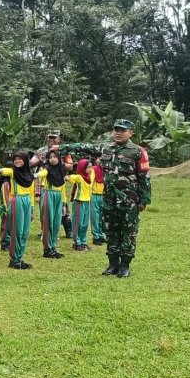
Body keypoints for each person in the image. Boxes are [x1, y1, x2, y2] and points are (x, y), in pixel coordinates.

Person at [52, 119, 152, 277]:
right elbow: (84, 146)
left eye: (122, 130)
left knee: (128, 232)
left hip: (129, 200)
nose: (118, 133)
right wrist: (61, 148)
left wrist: (144, 200)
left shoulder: (138, 151)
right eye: (116, 130)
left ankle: (125, 265)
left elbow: (144, 177)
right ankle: (112, 264)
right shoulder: (105, 148)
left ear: (130, 132)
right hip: (109, 199)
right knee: (111, 231)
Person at [30, 130, 74, 239]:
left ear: (59, 139)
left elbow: (70, 166)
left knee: (63, 206)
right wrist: (43, 158)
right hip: (44, 180)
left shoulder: (63, 150)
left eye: (54, 137)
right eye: (50, 137)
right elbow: (31, 163)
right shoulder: (41, 150)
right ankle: (44, 229)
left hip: (59, 180)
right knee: (44, 206)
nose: (51, 140)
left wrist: (57, 161)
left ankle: (68, 229)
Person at [0, 151, 35, 269]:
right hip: (16, 200)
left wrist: (32, 208)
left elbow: (32, 193)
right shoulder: (13, 172)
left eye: (20, 159)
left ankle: (19, 257)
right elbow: (6, 171)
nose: (17, 161)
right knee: (17, 231)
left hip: (27, 202)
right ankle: (14, 260)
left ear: (25, 160)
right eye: (15, 159)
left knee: (25, 232)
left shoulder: (29, 175)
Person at [37, 150, 66, 259]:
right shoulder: (47, 169)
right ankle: (47, 249)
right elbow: (43, 173)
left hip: (58, 197)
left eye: (55, 157)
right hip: (48, 195)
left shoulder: (61, 171)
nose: (53, 159)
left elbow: (63, 188)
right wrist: (36, 174)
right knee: (48, 222)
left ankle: (53, 247)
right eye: (50, 157)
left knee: (56, 223)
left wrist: (64, 203)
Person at [66, 159, 95, 252]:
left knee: (85, 224)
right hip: (79, 202)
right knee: (78, 223)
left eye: (91, 166)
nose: (90, 169)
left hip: (87, 202)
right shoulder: (79, 177)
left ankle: (83, 241)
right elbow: (70, 177)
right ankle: (77, 243)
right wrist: (67, 177)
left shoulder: (89, 177)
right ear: (83, 168)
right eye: (88, 167)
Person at [90, 158, 107, 246]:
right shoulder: (94, 170)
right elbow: (90, 181)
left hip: (102, 196)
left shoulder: (105, 171)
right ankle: (96, 237)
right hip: (94, 195)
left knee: (101, 217)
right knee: (95, 217)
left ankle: (101, 235)